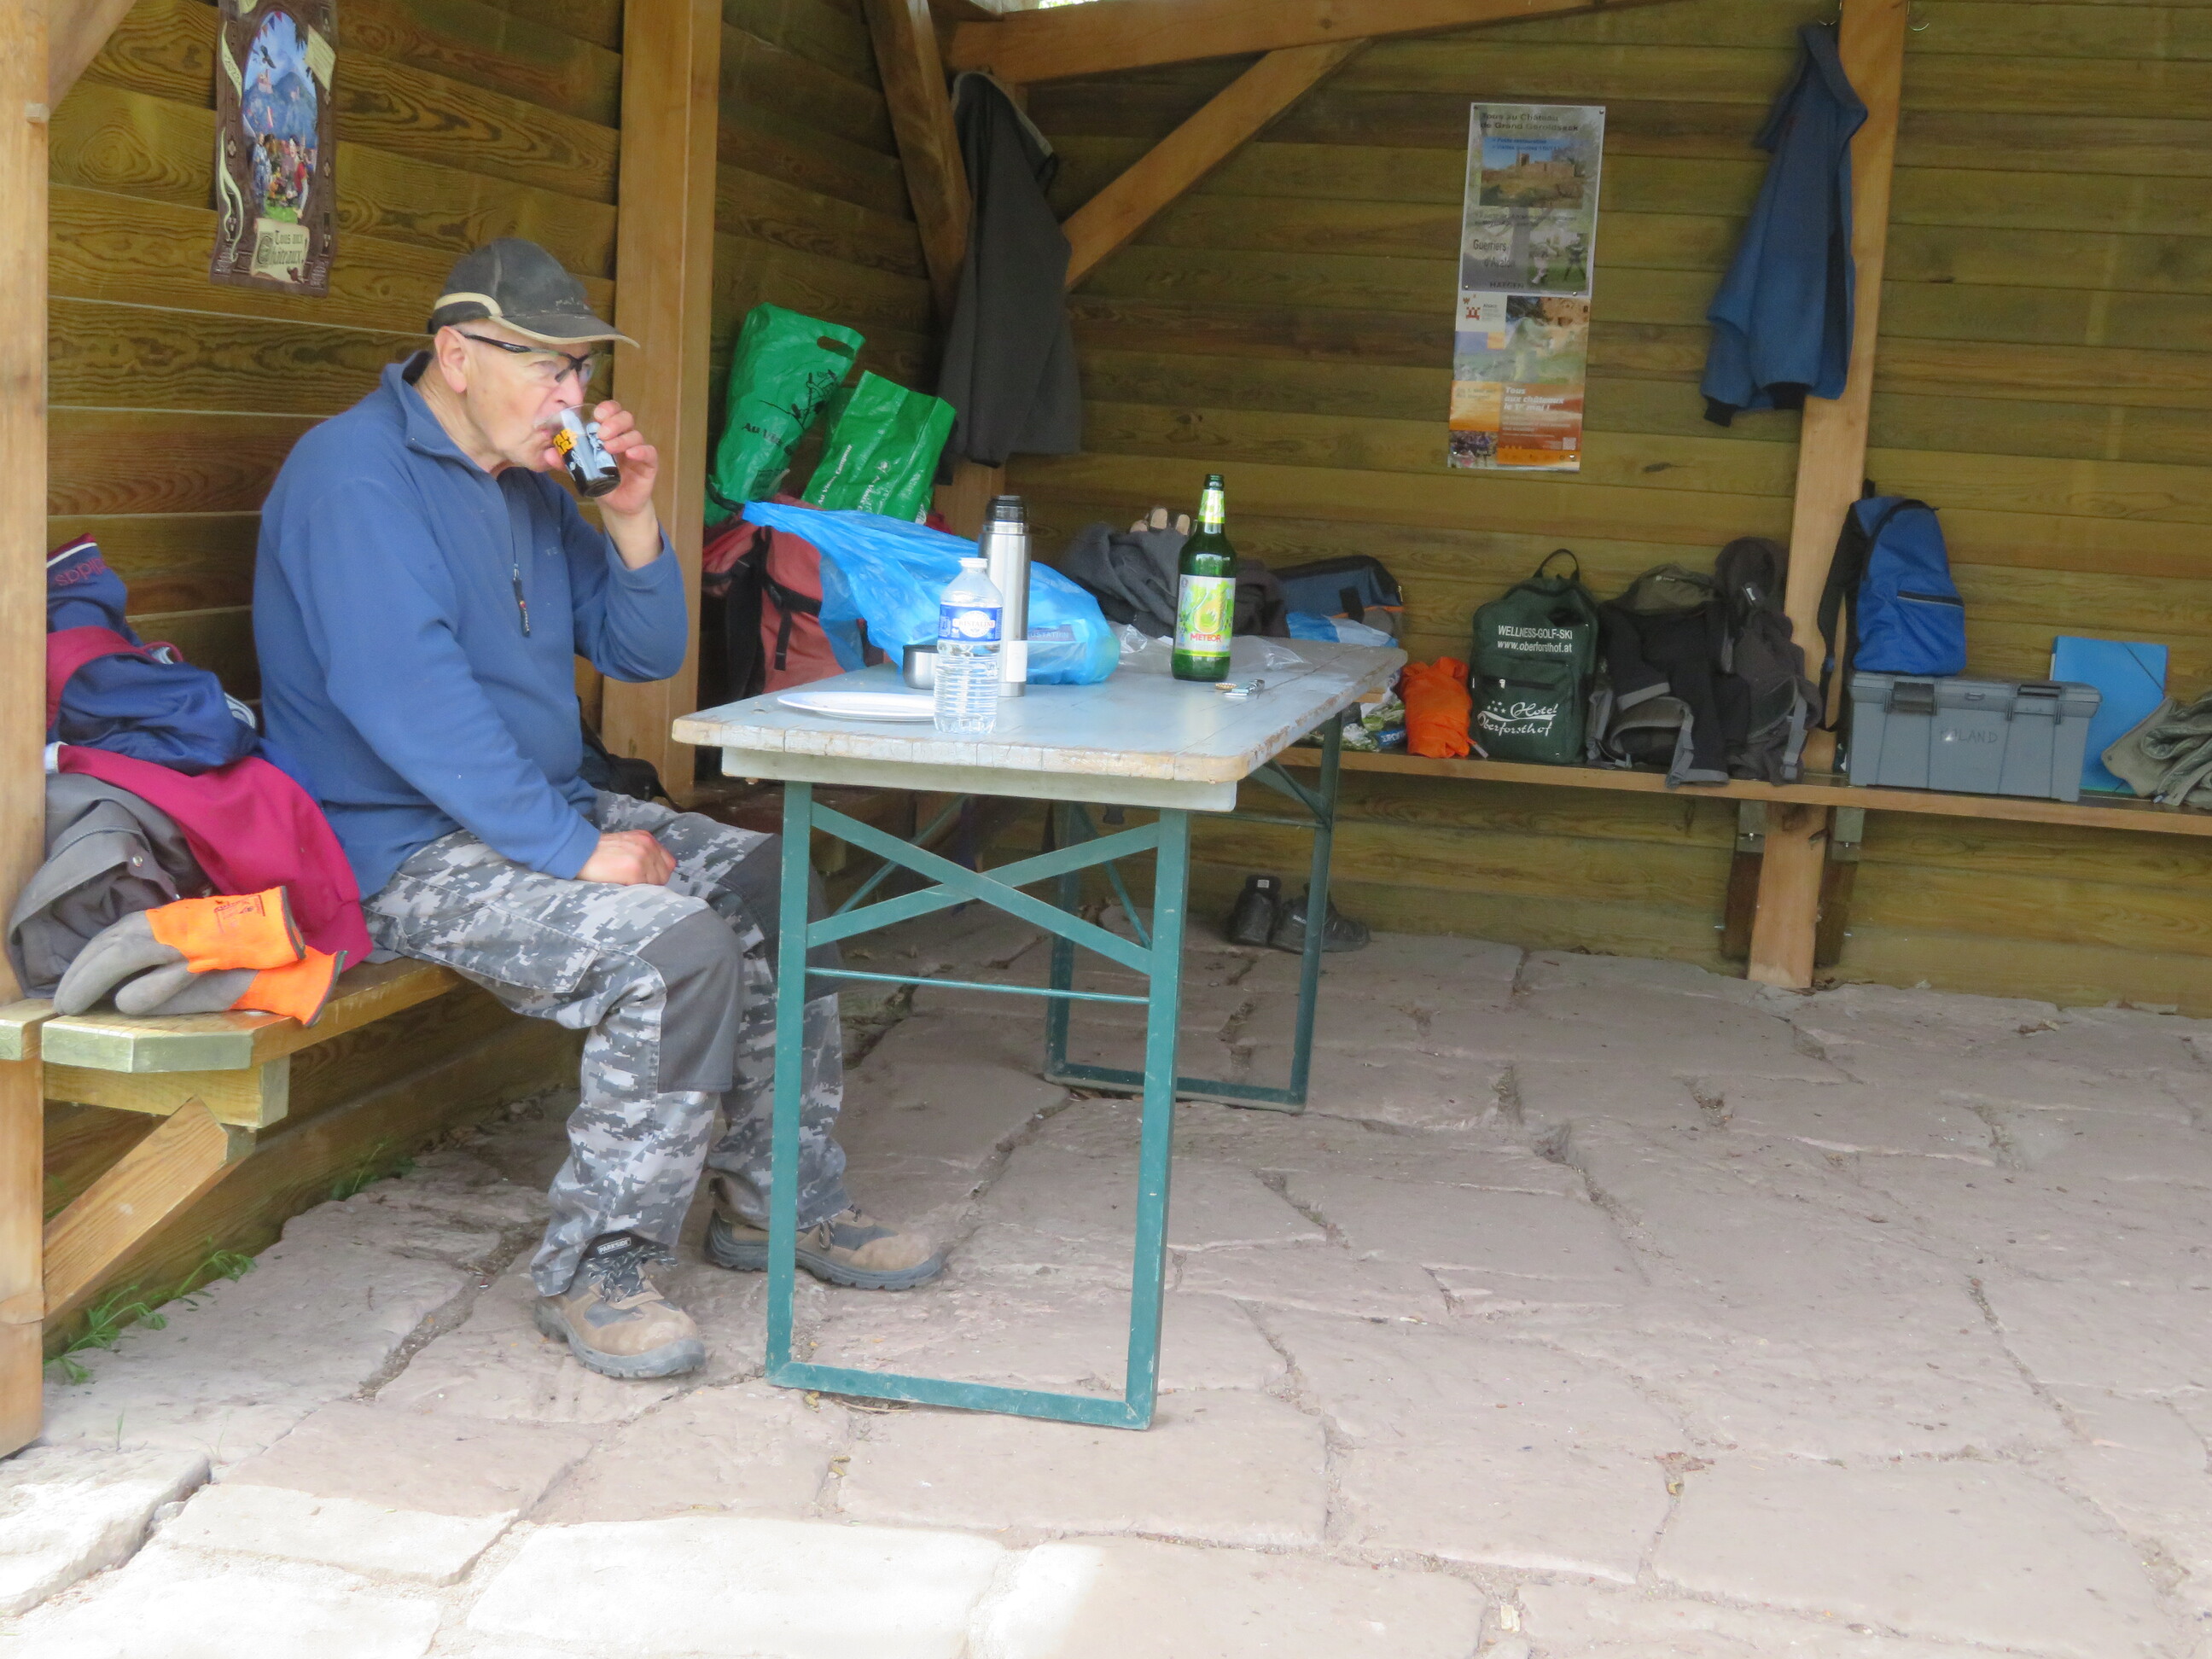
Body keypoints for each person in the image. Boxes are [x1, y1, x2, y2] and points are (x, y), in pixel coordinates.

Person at [253, 238, 942, 1382]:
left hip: (535, 808)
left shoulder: (530, 483)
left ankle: (781, 1203)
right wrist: (574, 850)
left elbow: (643, 648)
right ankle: (598, 1272)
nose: (574, 395)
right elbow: (404, 700)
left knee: (778, 882)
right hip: (398, 847)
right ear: (457, 356)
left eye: (580, 369)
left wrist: (630, 517)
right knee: (671, 952)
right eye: (549, 367)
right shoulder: (353, 478)